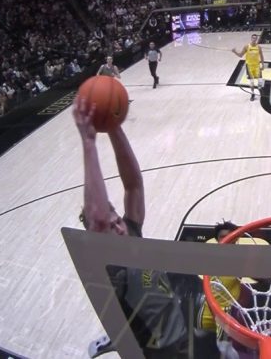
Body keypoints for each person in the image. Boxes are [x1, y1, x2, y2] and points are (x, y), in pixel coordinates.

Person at [74, 99, 187, 359]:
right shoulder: (107, 265)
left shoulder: (132, 230)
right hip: (152, 349)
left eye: (117, 218)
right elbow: (98, 216)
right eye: (108, 224)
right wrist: (88, 144)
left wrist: (115, 128)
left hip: (168, 320)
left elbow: (133, 185)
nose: (117, 224)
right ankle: (119, 337)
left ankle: (118, 334)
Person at [197, 221, 243, 359]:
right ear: (217, 240)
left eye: (230, 236)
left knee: (223, 350)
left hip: (226, 311)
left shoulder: (241, 258)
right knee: (201, 343)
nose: (226, 240)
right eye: (222, 237)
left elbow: (259, 276)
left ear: (235, 239)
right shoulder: (210, 257)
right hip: (207, 307)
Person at [232, 34, 265, 101]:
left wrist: (263, 65)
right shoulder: (247, 46)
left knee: (260, 81)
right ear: (251, 38)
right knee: (251, 82)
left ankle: (260, 90)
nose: (254, 39)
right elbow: (240, 55)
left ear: (257, 39)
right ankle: (252, 94)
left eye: (255, 38)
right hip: (249, 66)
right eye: (253, 38)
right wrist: (234, 52)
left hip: (257, 65)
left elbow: (261, 56)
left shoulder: (259, 47)